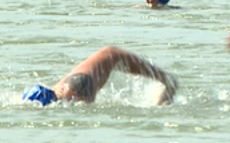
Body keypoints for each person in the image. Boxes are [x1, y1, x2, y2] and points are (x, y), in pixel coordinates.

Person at [23, 45, 177, 106]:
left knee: (166, 80)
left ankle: (168, 82)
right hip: (106, 57)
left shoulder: (75, 88)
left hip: (112, 55)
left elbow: (110, 53)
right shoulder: (57, 95)